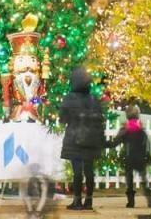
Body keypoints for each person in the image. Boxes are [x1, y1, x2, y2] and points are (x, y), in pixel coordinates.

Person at [58, 66, 105, 211]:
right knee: (89, 170)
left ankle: (77, 201)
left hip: (75, 139)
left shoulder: (69, 98)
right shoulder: (94, 100)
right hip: (91, 140)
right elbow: (100, 119)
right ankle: (89, 200)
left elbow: (62, 119)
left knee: (77, 171)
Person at [110, 105, 151, 208]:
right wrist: (147, 155)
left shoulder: (125, 129)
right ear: (137, 115)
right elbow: (147, 143)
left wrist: (104, 143)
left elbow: (115, 143)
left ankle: (131, 201)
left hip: (129, 157)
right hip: (140, 157)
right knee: (143, 178)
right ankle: (150, 199)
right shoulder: (141, 129)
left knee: (129, 179)